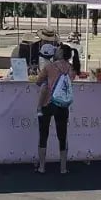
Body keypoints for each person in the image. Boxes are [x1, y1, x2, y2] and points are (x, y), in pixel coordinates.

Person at [35, 43, 80, 174]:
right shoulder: (72, 68)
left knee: (43, 135)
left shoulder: (49, 67)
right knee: (62, 135)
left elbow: (39, 81)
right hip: (63, 104)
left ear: (60, 53)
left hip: (47, 103)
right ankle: (63, 168)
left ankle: (42, 167)